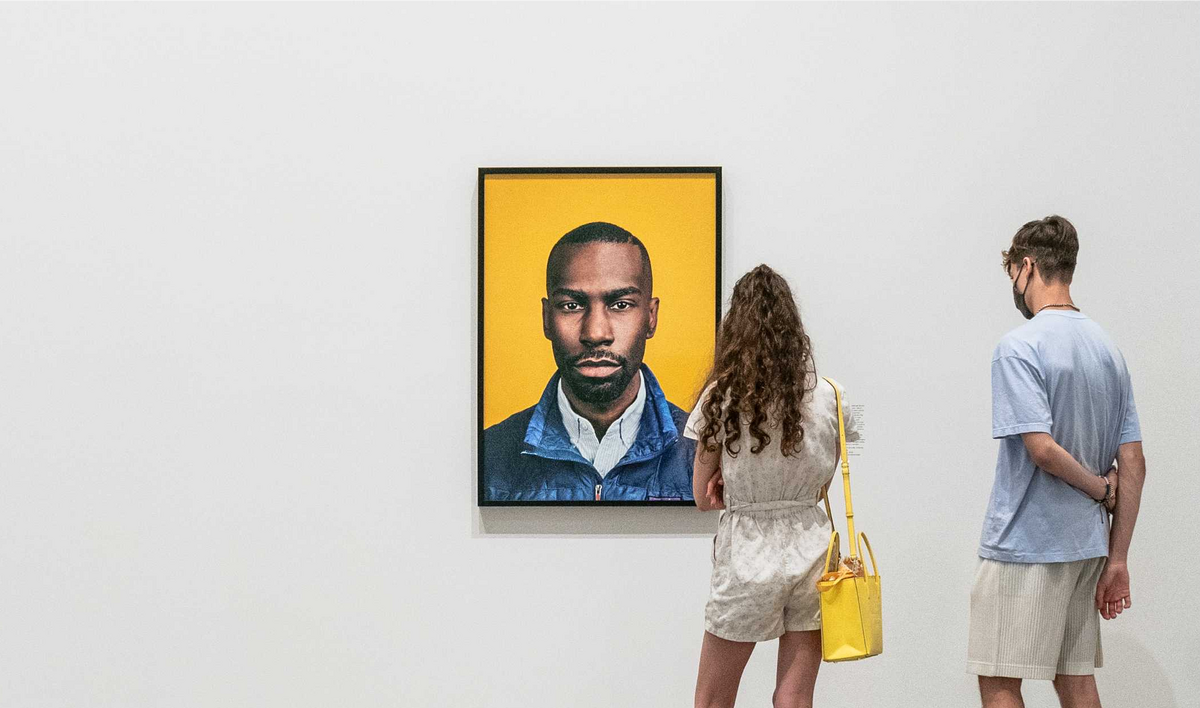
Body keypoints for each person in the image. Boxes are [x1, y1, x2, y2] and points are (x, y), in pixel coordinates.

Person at [969, 215, 1147, 708]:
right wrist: (1118, 557)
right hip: (1086, 546)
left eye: (1012, 274)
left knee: (999, 679)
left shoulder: (1018, 347)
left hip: (1027, 542)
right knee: (1074, 678)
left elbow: (1041, 449)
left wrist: (1097, 488)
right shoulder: (1107, 348)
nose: (1014, 287)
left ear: (1027, 267)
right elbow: (1133, 461)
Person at [688, 265, 859, 708]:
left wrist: (734, 485)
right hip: (814, 547)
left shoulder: (721, 398)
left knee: (713, 697)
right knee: (796, 697)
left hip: (748, 549)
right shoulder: (830, 396)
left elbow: (700, 495)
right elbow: (824, 477)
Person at [482, 222, 696, 502]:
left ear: (651, 317)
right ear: (547, 319)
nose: (595, 334)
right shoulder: (489, 456)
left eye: (621, 304)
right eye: (572, 305)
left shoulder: (702, 451)